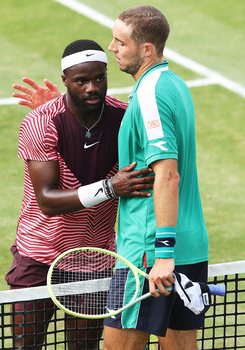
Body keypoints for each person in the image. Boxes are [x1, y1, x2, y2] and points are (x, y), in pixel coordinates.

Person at [7, 39, 155, 350]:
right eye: (81, 81)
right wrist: (110, 187)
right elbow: (47, 200)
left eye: (99, 78)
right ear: (65, 82)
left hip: (95, 259)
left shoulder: (126, 119)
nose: (92, 88)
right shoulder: (40, 123)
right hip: (38, 255)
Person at [101, 5, 209, 350]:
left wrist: (163, 252)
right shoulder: (176, 85)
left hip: (151, 254)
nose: (111, 48)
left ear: (147, 49)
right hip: (189, 246)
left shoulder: (148, 94)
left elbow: (167, 175)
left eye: (120, 42)